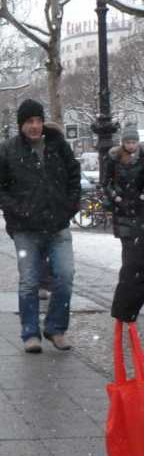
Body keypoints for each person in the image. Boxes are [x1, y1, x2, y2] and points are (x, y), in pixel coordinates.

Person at [0, 99, 81, 353]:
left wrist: (70, 204)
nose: (35, 126)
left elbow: (74, 175)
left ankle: (56, 328)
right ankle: (30, 333)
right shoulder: (5, 152)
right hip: (25, 229)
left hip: (58, 225)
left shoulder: (58, 146)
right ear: (21, 125)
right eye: (29, 122)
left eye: (38, 120)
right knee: (29, 281)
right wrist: (18, 209)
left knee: (65, 276)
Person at [104, 123, 144, 322]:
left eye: (134, 141)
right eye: (128, 142)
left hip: (140, 211)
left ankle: (126, 307)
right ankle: (124, 308)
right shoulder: (114, 158)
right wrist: (116, 197)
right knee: (131, 262)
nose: (131, 145)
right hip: (124, 213)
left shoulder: (142, 157)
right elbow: (106, 183)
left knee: (136, 263)